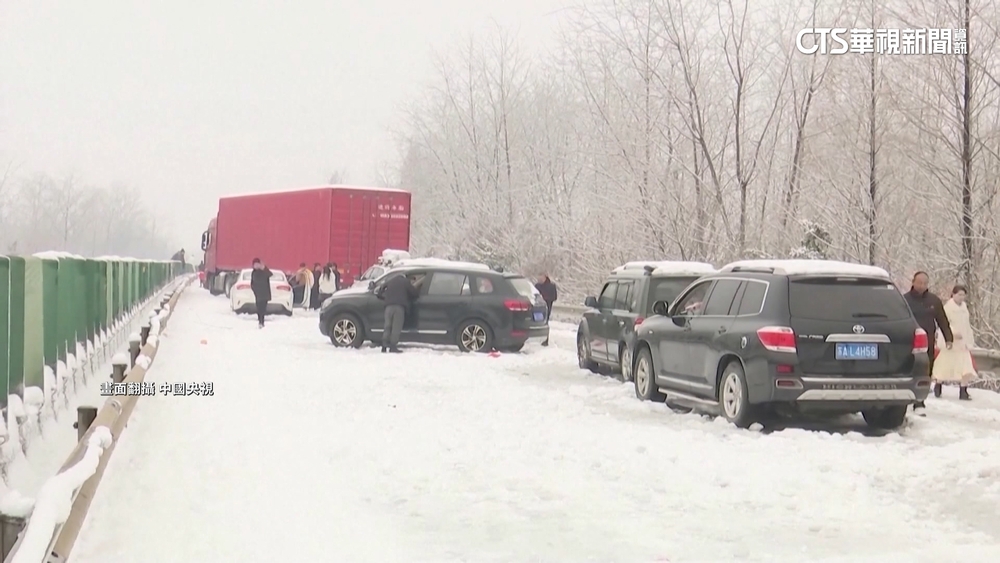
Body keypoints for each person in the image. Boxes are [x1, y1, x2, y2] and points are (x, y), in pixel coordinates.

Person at [903, 271, 953, 410]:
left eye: (925, 283)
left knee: (926, 370)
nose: (922, 285)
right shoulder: (904, 300)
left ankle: (919, 401)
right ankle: (904, 398)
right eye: (919, 282)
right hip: (909, 341)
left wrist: (948, 338)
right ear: (913, 282)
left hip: (928, 342)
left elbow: (942, 320)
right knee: (908, 369)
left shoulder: (934, 301)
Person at [932, 284, 975, 401]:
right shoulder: (948, 308)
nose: (961, 297)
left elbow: (967, 324)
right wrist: (953, 334)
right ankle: (938, 385)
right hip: (951, 342)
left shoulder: (964, 307)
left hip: (963, 343)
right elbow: (944, 323)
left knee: (965, 366)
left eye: (963, 295)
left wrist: (969, 338)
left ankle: (963, 390)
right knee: (945, 365)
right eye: (959, 295)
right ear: (953, 295)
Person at [377, 273, 420, 353]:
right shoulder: (405, 282)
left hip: (388, 307)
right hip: (399, 307)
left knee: (387, 326)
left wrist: (383, 297)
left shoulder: (390, 281)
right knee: (396, 327)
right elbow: (414, 293)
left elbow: (380, 290)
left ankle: (384, 345)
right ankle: (393, 346)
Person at [535, 274, 558, 346]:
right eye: (539, 278)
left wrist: (546, 299)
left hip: (547, 307)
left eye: (541, 277)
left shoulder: (551, 286)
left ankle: (545, 340)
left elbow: (554, 297)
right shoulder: (537, 286)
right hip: (537, 307)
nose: (540, 279)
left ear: (545, 277)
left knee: (545, 322)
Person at [250, 258, 272, 328]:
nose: (256, 266)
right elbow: (252, 283)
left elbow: (270, 274)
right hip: (258, 294)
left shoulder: (264, 271)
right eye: (254, 265)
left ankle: (262, 322)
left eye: (257, 264)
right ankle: (260, 321)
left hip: (264, 293)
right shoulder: (253, 272)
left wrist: (264, 268)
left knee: (263, 308)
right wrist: (254, 290)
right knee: (259, 308)